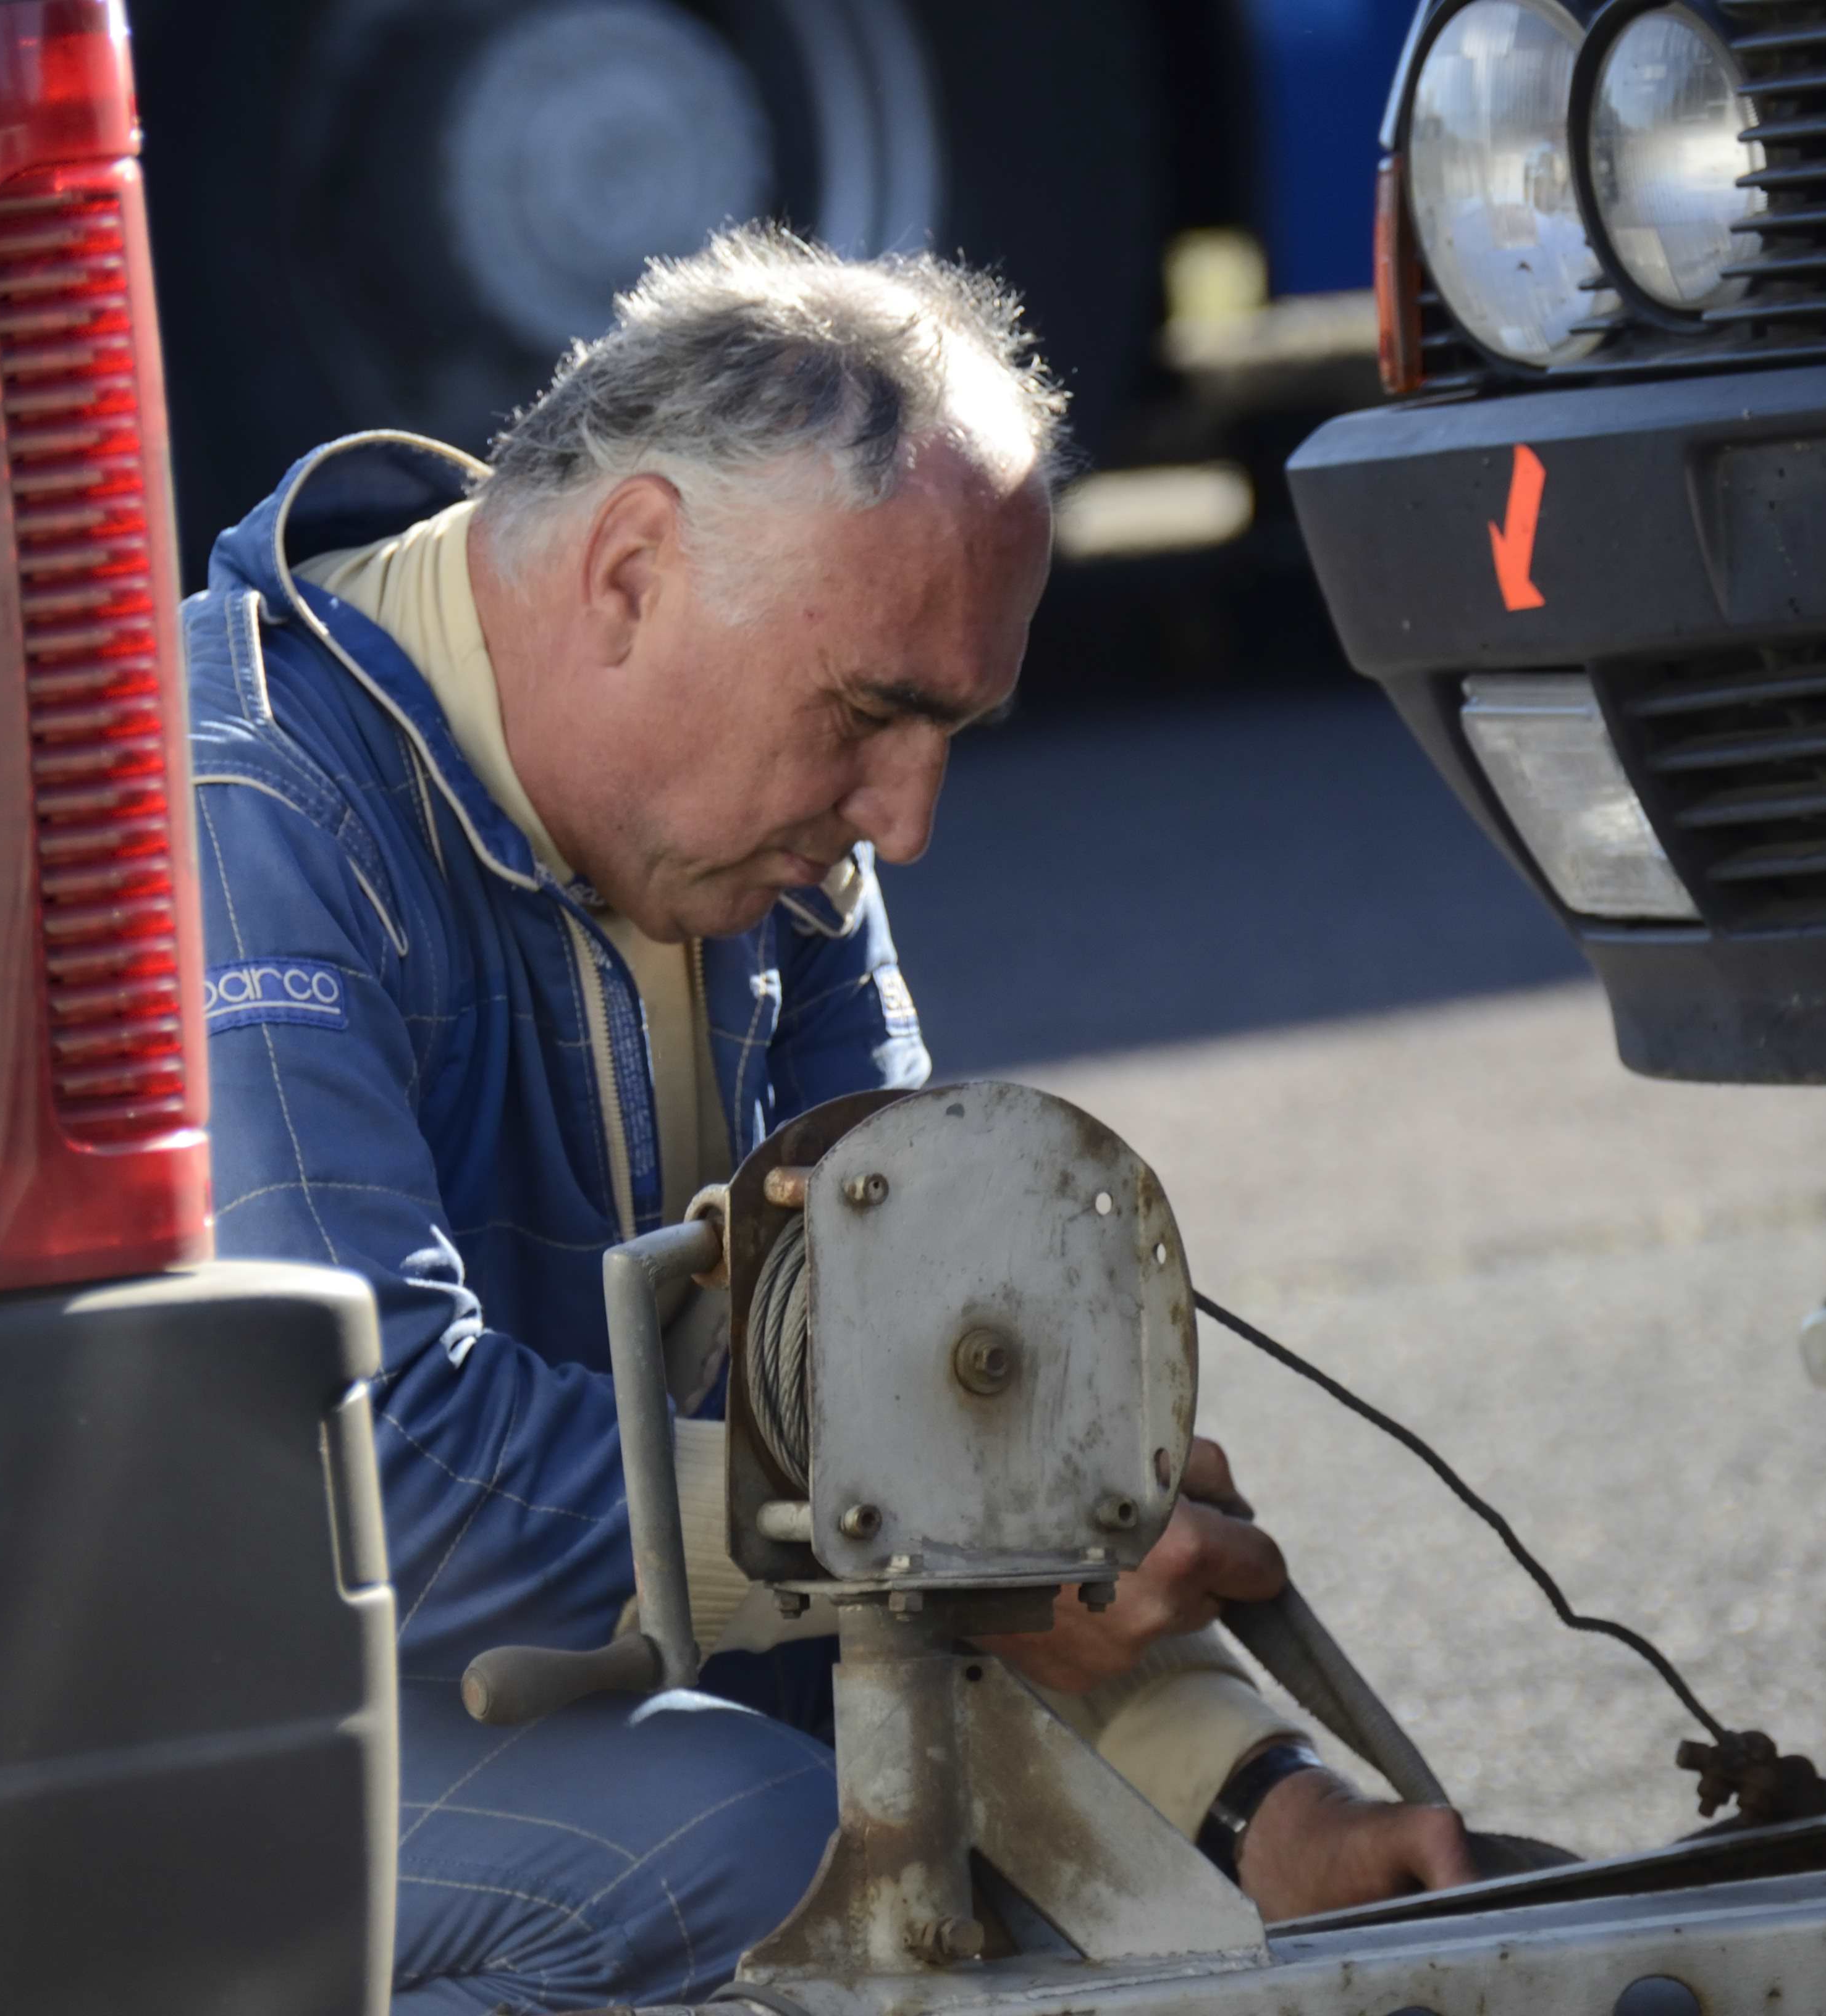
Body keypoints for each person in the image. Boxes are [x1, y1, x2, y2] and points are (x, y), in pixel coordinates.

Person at [185, 225, 1471, 2014]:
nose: (908, 823)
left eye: (952, 732)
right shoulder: (239, 808)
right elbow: (373, 1466)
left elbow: (931, 1407)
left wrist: (1254, 1808)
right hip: (160, 1755)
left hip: (529, 1690)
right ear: (631, 572)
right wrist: (963, 1540)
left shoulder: (767, 842)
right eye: (871, 713)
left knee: (1007, 1850)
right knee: (760, 1844)